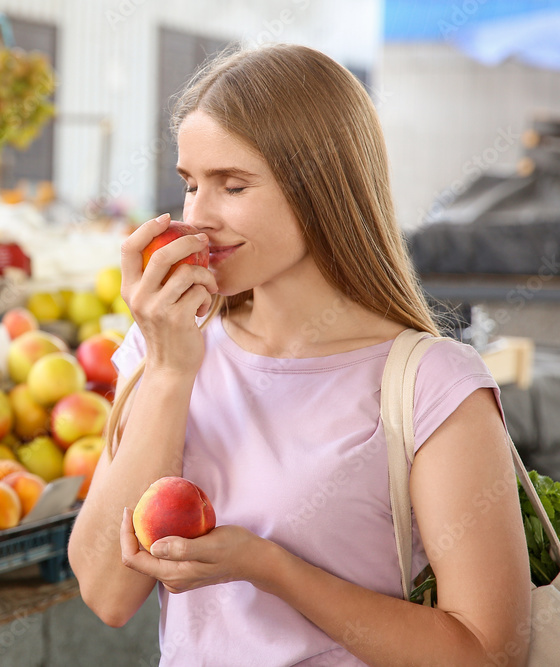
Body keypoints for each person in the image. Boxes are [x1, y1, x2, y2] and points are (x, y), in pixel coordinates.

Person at [67, 44, 531, 666]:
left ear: (321, 187)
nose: (198, 217)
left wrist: (271, 569)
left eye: (233, 185)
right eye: (189, 184)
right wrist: (171, 370)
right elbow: (106, 593)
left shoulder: (431, 386)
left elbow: (485, 654)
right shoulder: (167, 343)